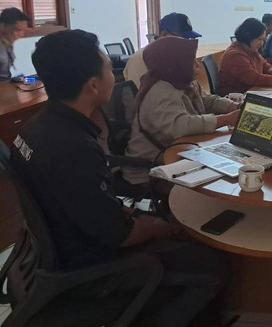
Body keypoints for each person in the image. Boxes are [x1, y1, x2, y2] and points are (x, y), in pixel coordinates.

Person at [11, 29, 229, 327]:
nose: (115, 75)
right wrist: (158, 227)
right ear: (92, 84)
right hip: (91, 267)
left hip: (57, 250)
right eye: (107, 68)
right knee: (209, 262)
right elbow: (120, 235)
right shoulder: (74, 149)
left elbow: (81, 201)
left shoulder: (35, 129)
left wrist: (121, 211)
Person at [126, 36, 241, 170]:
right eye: (191, 61)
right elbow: (181, 126)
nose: (197, 66)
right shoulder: (158, 90)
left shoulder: (179, 80)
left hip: (181, 154)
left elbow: (206, 100)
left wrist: (235, 107)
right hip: (154, 169)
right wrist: (226, 119)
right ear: (175, 63)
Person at [218, 18, 272, 96]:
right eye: (259, 39)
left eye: (263, 39)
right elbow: (253, 78)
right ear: (249, 36)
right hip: (236, 98)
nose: (262, 43)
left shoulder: (251, 49)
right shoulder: (234, 55)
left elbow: (265, 65)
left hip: (251, 91)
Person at [124, 12, 202, 88]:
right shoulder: (140, 60)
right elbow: (145, 98)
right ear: (164, 35)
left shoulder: (176, 56)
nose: (186, 44)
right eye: (183, 39)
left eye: (189, 39)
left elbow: (199, 95)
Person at [0, 7, 30, 81]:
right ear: (3, 26)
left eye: (23, 31)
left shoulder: (7, 44)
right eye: (18, 30)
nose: (21, 34)